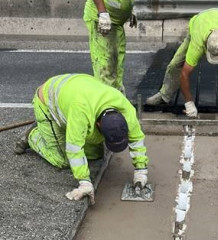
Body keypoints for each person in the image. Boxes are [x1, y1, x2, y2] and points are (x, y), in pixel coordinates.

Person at [14, 73, 149, 204]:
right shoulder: (81, 113)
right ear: (98, 124)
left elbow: (136, 138)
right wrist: (84, 182)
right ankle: (34, 135)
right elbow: (74, 148)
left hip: (76, 90)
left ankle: (58, 129)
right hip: (48, 101)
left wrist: (141, 170)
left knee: (96, 155)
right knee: (62, 161)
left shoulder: (126, 109)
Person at [83, 0, 137, 93]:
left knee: (116, 68)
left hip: (116, 23)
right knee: (106, 68)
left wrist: (130, 8)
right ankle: (107, 103)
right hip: (102, 20)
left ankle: (116, 100)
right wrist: (102, 13)